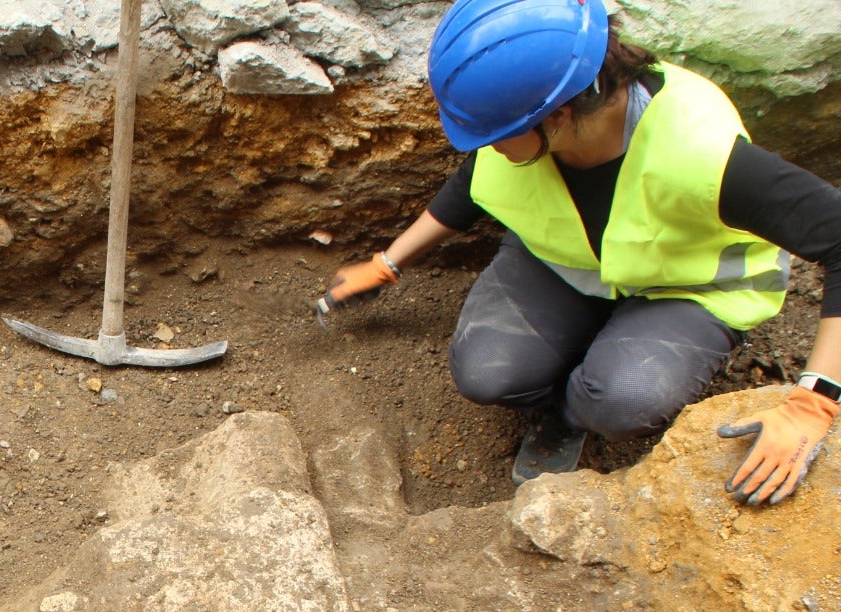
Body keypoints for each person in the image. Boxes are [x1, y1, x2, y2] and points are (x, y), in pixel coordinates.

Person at [320, 0, 841, 502]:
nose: (484, 145)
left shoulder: (702, 153)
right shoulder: (538, 112)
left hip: (689, 288)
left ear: (559, 116)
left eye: (496, 135)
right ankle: (558, 390)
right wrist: (386, 263)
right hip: (567, 264)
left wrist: (813, 400)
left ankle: (575, 412)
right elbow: (471, 183)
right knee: (486, 372)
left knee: (620, 401)